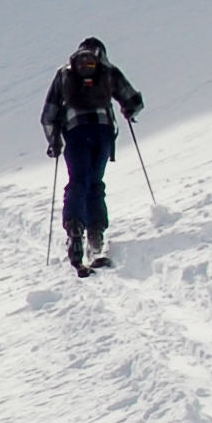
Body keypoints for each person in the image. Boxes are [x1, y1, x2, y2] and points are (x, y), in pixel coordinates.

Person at [41, 37, 145, 275]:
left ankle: (75, 229)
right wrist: (128, 110)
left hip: (76, 133)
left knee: (78, 181)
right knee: (95, 183)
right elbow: (134, 101)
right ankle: (95, 236)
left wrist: (54, 141)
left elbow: (48, 114)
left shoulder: (64, 73)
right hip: (103, 133)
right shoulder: (108, 70)